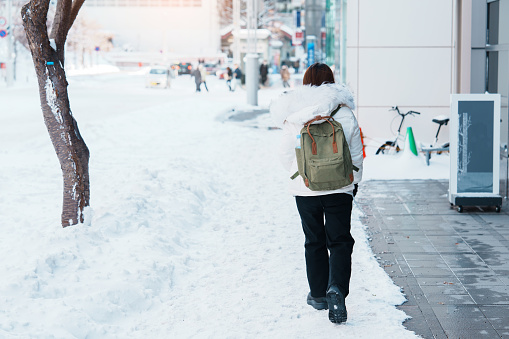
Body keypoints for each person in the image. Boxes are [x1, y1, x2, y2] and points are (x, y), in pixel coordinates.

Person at [269, 63, 363, 324]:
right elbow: (356, 153)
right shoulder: (344, 113)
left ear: (306, 82)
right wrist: (353, 183)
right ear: (332, 82)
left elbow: (284, 153)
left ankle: (319, 295)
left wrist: (298, 174)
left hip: (305, 188)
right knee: (340, 241)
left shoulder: (294, 113)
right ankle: (337, 290)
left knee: (314, 240)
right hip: (340, 187)